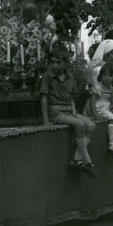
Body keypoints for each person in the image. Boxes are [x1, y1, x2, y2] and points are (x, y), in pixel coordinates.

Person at [41, 48, 97, 177]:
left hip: (68, 109)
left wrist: (73, 110)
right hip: (56, 111)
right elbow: (44, 98)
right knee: (80, 125)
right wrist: (45, 120)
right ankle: (87, 162)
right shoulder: (48, 76)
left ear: (65, 63)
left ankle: (76, 159)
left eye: (58, 62)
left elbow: (71, 96)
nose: (55, 65)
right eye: (53, 62)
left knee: (91, 126)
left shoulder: (70, 76)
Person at [88, 63, 113, 154]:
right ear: (101, 75)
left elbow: (112, 100)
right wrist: (95, 114)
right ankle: (112, 143)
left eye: (110, 75)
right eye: (105, 75)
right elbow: (92, 103)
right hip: (98, 108)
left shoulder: (111, 88)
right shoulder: (98, 87)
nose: (107, 77)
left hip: (106, 108)